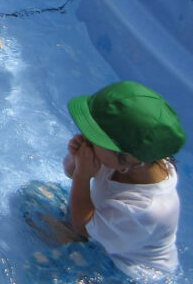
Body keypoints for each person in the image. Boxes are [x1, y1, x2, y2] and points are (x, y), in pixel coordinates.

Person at [54, 81, 184, 280]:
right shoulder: (130, 157)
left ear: (128, 157)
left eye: (94, 137)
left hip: (126, 270)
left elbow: (84, 228)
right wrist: (76, 159)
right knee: (33, 198)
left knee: (42, 269)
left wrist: (82, 175)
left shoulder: (148, 209)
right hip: (107, 231)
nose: (87, 139)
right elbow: (70, 172)